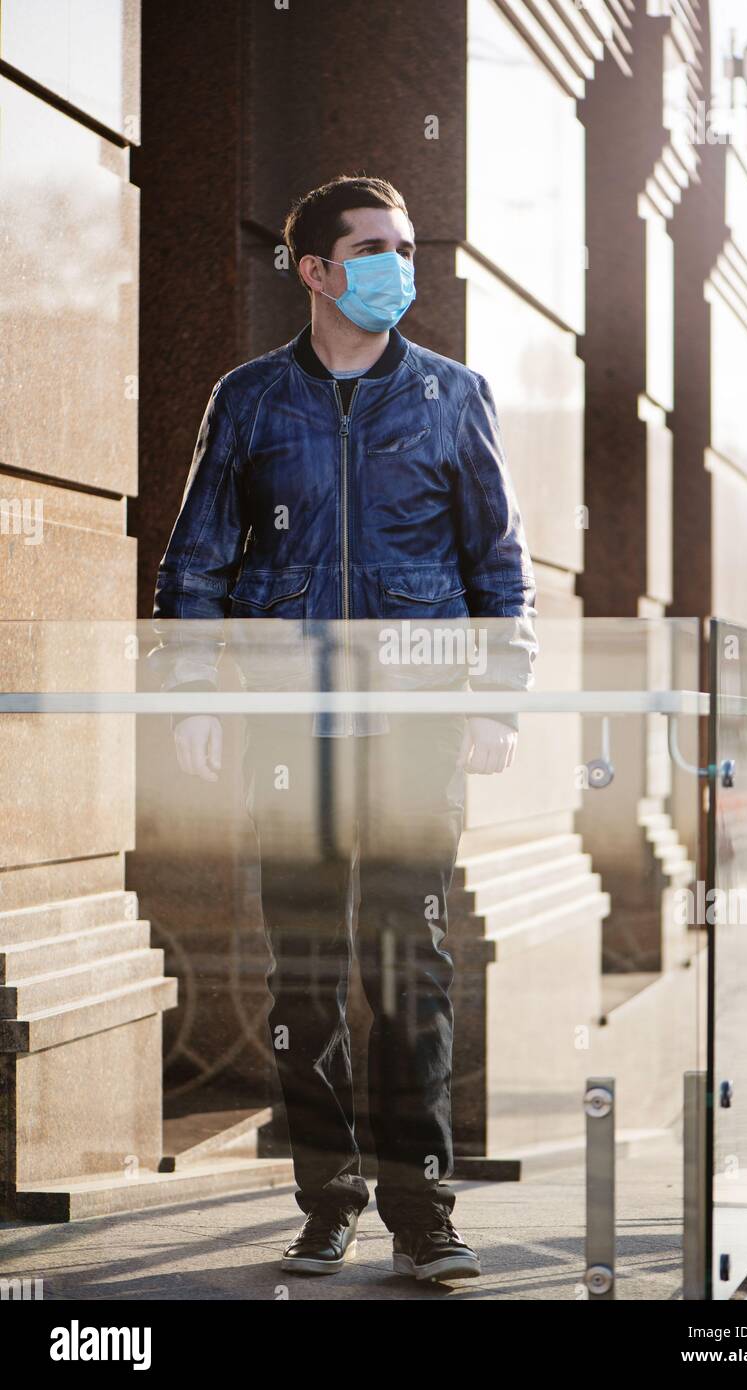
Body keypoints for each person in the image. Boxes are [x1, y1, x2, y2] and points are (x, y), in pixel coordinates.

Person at [152, 175, 536, 1283]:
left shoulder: (452, 397)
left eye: (405, 249)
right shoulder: (250, 400)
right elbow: (197, 563)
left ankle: (423, 1208)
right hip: (293, 727)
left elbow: (498, 570)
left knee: (409, 962)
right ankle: (326, 1198)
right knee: (305, 972)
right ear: (313, 269)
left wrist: (496, 701)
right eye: (370, 248)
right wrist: (189, 695)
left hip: (417, 727)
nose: (395, 267)